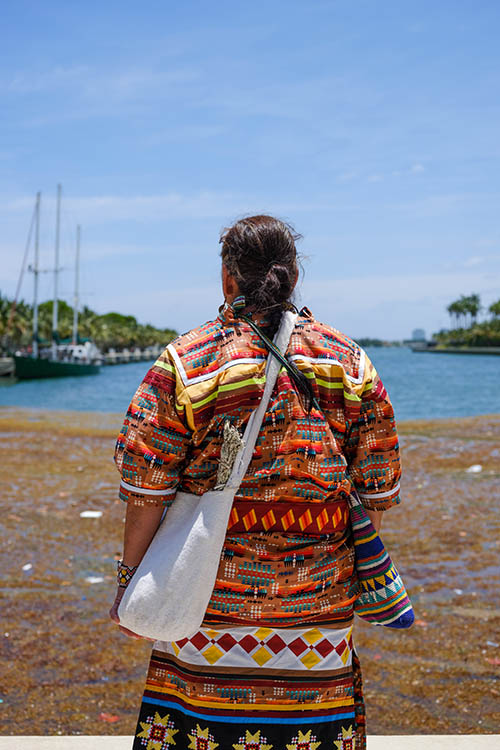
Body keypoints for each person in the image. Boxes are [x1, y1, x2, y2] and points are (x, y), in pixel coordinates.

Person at [110, 215, 402, 750]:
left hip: (205, 594)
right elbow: (377, 488)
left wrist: (132, 580)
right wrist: (346, 572)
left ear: (227, 278)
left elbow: (145, 486)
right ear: (293, 277)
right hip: (319, 604)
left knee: (197, 719)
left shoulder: (188, 361)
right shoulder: (349, 362)